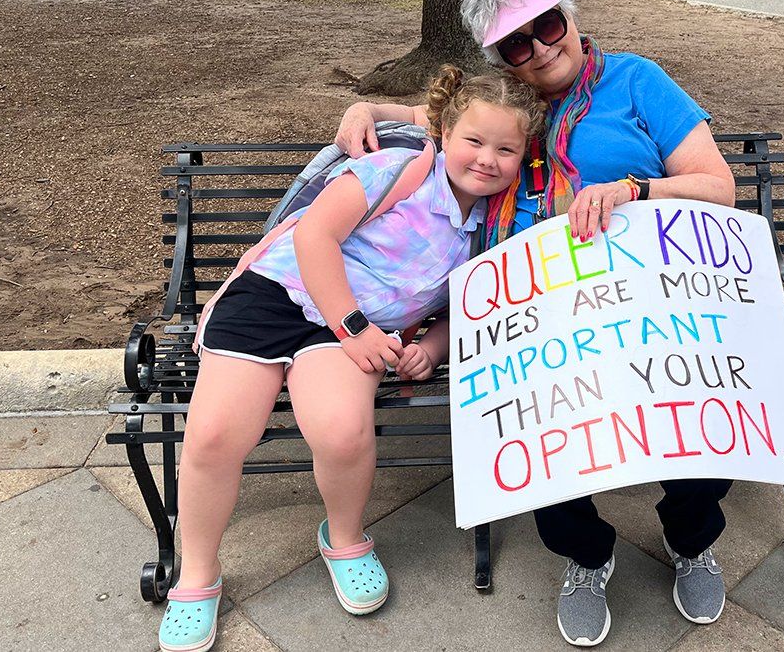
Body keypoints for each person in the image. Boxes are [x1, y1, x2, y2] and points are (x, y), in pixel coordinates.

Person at [333, 0, 738, 646]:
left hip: (646, 302)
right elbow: (446, 116)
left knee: (689, 418)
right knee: (538, 432)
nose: (540, 48)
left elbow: (717, 186)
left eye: (547, 25)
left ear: (570, 15)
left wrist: (634, 190)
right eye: (516, 42)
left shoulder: (637, 81)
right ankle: (586, 555)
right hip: (534, 313)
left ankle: (691, 538)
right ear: (504, 58)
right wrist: (365, 106)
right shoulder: (512, 106)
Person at [157, 65, 546, 652]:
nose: (487, 158)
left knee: (341, 432)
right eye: (474, 141)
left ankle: (343, 537)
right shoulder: (400, 169)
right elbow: (316, 236)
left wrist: (430, 348)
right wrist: (354, 326)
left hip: (350, 334)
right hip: (281, 293)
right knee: (214, 435)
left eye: (505, 149)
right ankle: (198, 573)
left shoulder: (495, 227)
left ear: (523, 155)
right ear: (443, 133)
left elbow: (467, 308)